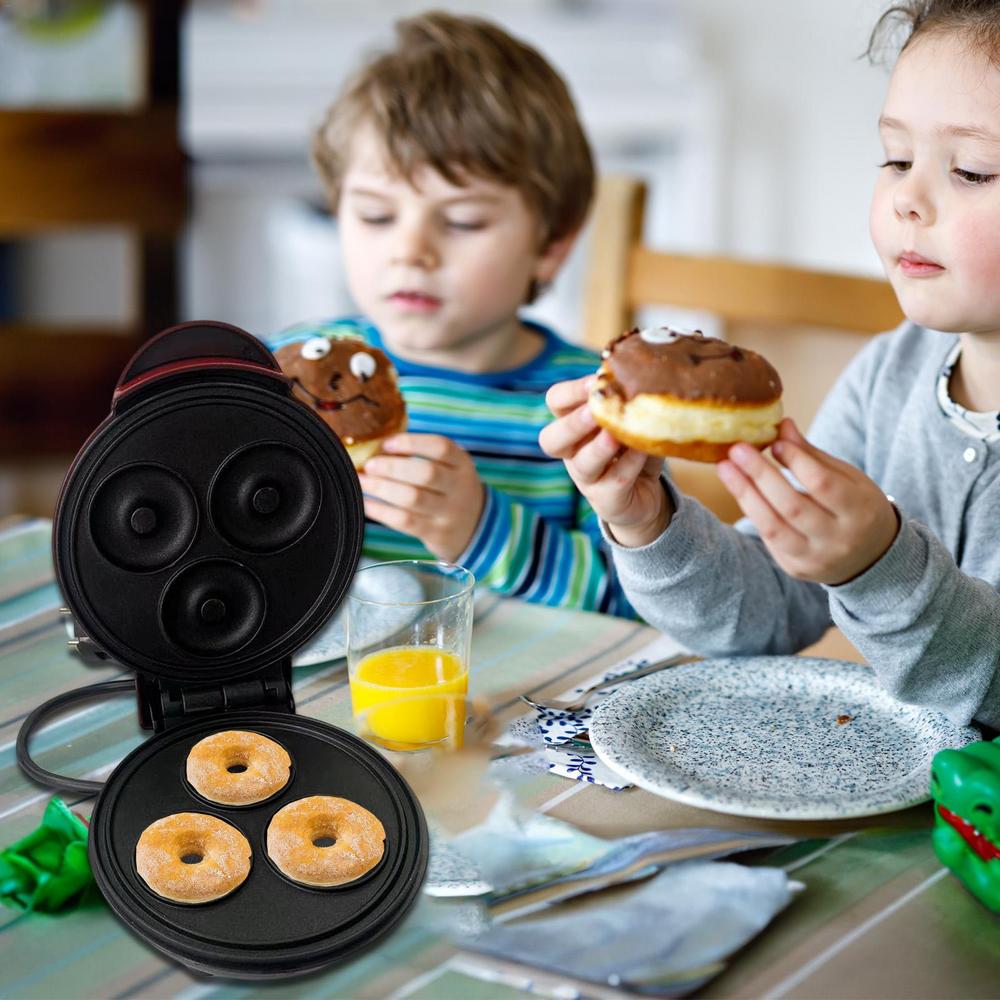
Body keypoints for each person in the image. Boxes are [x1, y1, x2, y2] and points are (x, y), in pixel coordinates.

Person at [539, 0, 1000, 729]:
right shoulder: (889, 376)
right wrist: (649, 523)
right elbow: (767, 613)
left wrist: (880, 569)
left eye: (972, 171)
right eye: (897, 159)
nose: (909, 198)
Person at [268, 11, 633, 616]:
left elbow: (638, 606)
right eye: (376, 216)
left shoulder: (589, 413)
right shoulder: (279, 376)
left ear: (551, 246)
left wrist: (481, 530)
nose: (410, 250)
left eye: (463, 221)